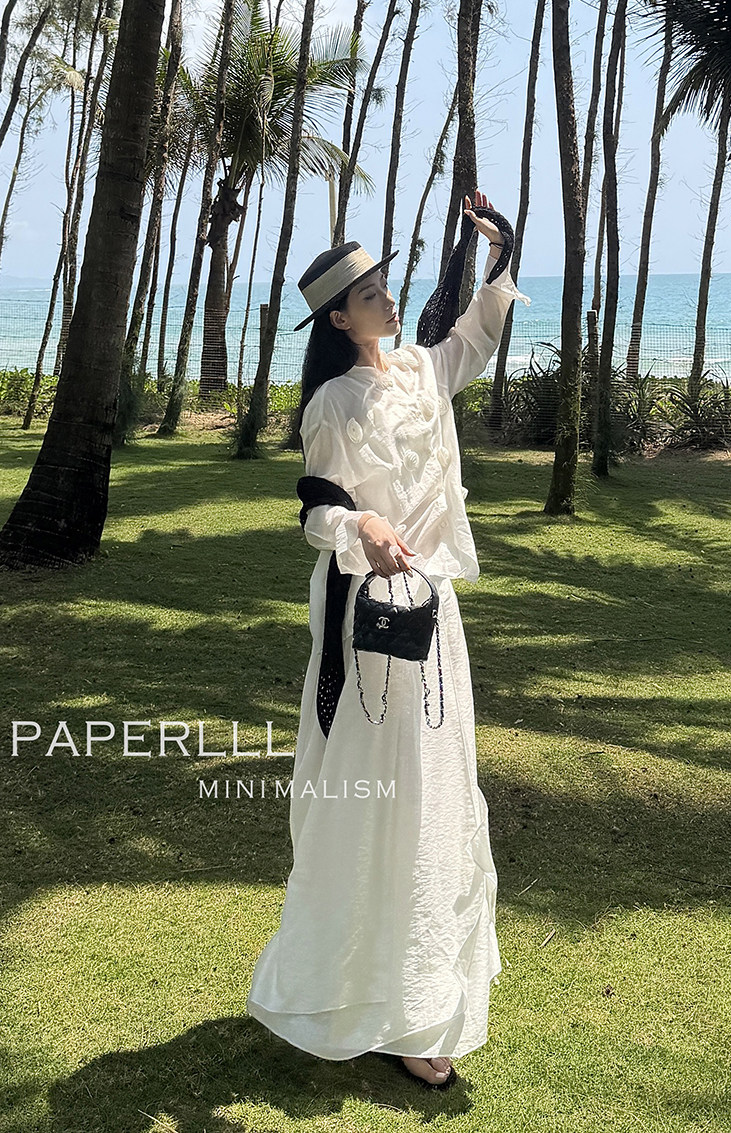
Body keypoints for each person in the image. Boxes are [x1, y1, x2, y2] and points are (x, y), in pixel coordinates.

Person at [246, 189, 531, 1090]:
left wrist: (500, 252)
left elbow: (475, 334)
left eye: (384, 286)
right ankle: (361, 993)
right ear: (339, 318)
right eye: (369, 295)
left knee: (433, 797)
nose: (387, 298)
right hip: (366, 624)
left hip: (432, 615)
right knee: (372, 799)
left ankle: (416, 1002)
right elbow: (316, 509)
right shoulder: (332, 402)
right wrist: (362, 525)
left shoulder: (419, 370)